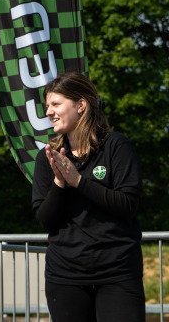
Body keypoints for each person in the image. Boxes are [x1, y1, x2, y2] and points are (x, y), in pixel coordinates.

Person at [32, 73, 145, 322]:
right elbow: (46, 220)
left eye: (56, 104)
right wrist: (60, 183)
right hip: (65, 277)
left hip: (118, 273)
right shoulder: (47, 158)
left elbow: (127, 205)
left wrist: (79, 182)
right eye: (47, 106)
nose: (49, 112)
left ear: (81, 105)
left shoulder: (116, 146)